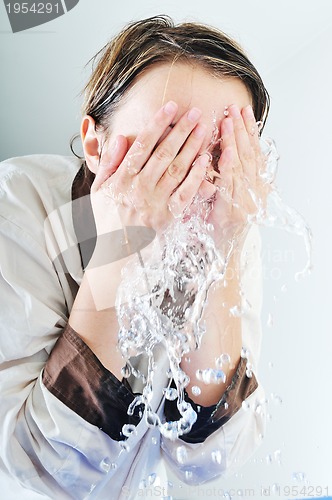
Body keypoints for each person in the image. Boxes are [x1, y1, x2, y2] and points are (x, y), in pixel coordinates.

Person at [0, 15, 270, 500]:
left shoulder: (229, 225)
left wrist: (222, 257)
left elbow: (209, 459)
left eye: (222, 155)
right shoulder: (16, 207)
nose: (192, 186)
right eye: (164, 148)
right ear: (95, 144)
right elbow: (37, 464)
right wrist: (122, 249)